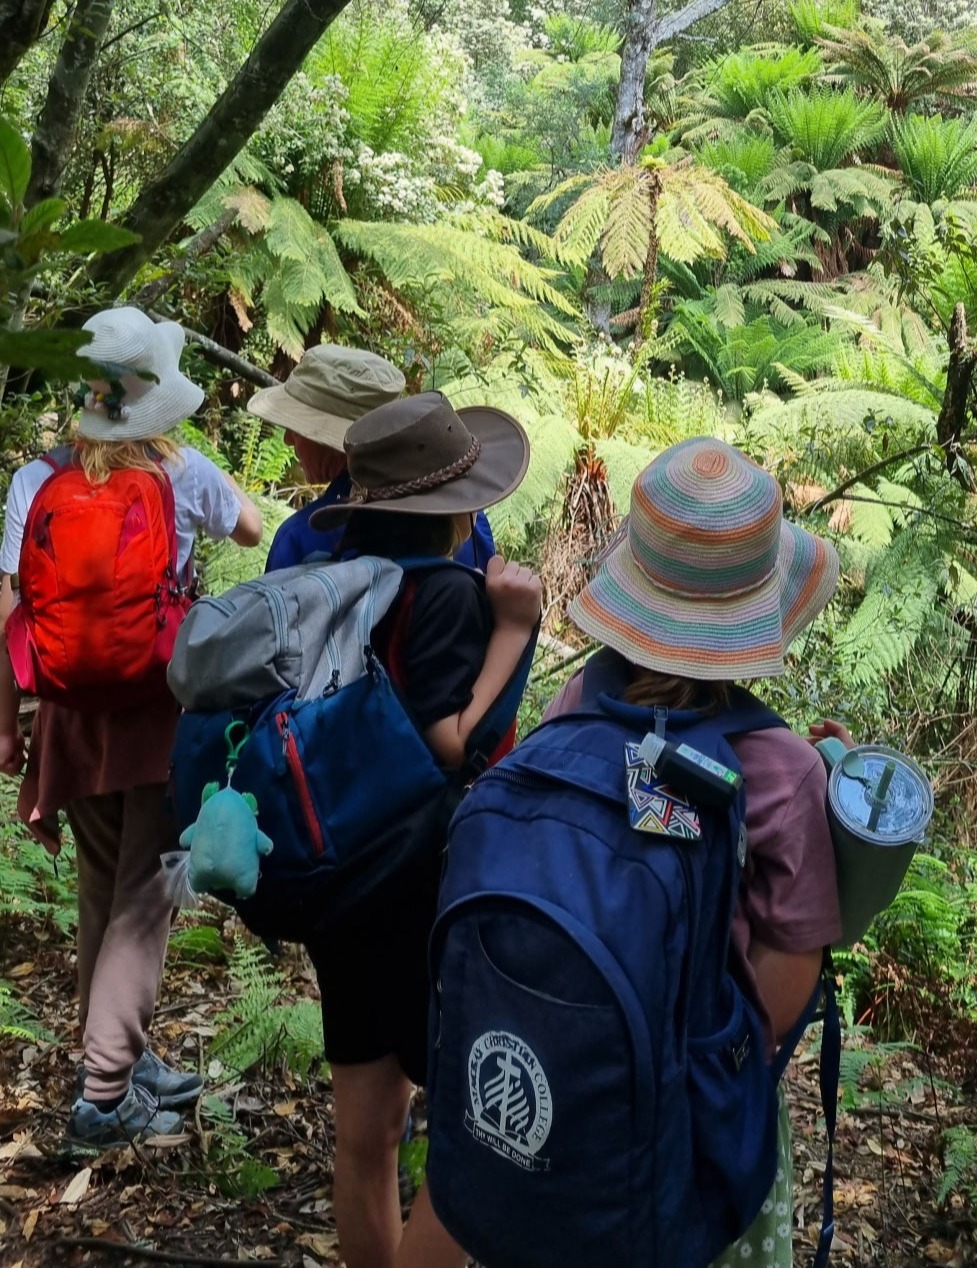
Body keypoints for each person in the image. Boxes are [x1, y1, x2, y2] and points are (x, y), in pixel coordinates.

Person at [536, 436, 848, 1268]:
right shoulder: (783, 772)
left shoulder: (577, 704)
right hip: (701, 1117)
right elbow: (791, 976)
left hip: (574, 1079)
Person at [0, 307, 263, 1149]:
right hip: (156, 716)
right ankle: (104, 1094)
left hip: (70, 716)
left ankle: (116, 1055)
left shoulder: (36, 481)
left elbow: (7, 607)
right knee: (147, 901)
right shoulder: (183, 473)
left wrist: (7, 732)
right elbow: (255, 527)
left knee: (103, 887)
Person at [300, 392, 541, 1268]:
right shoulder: (442, 594)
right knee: (465, 1140)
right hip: (416, 888)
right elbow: (449, 739)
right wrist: (512, 629)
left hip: (339, 876)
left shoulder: (333, 583)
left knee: (365, 1132)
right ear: (460, 509)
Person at [248, 344, 496, 572]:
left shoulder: (300, 539)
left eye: (296, 428)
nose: (288, 440)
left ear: (326, 440)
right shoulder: (467, 514)